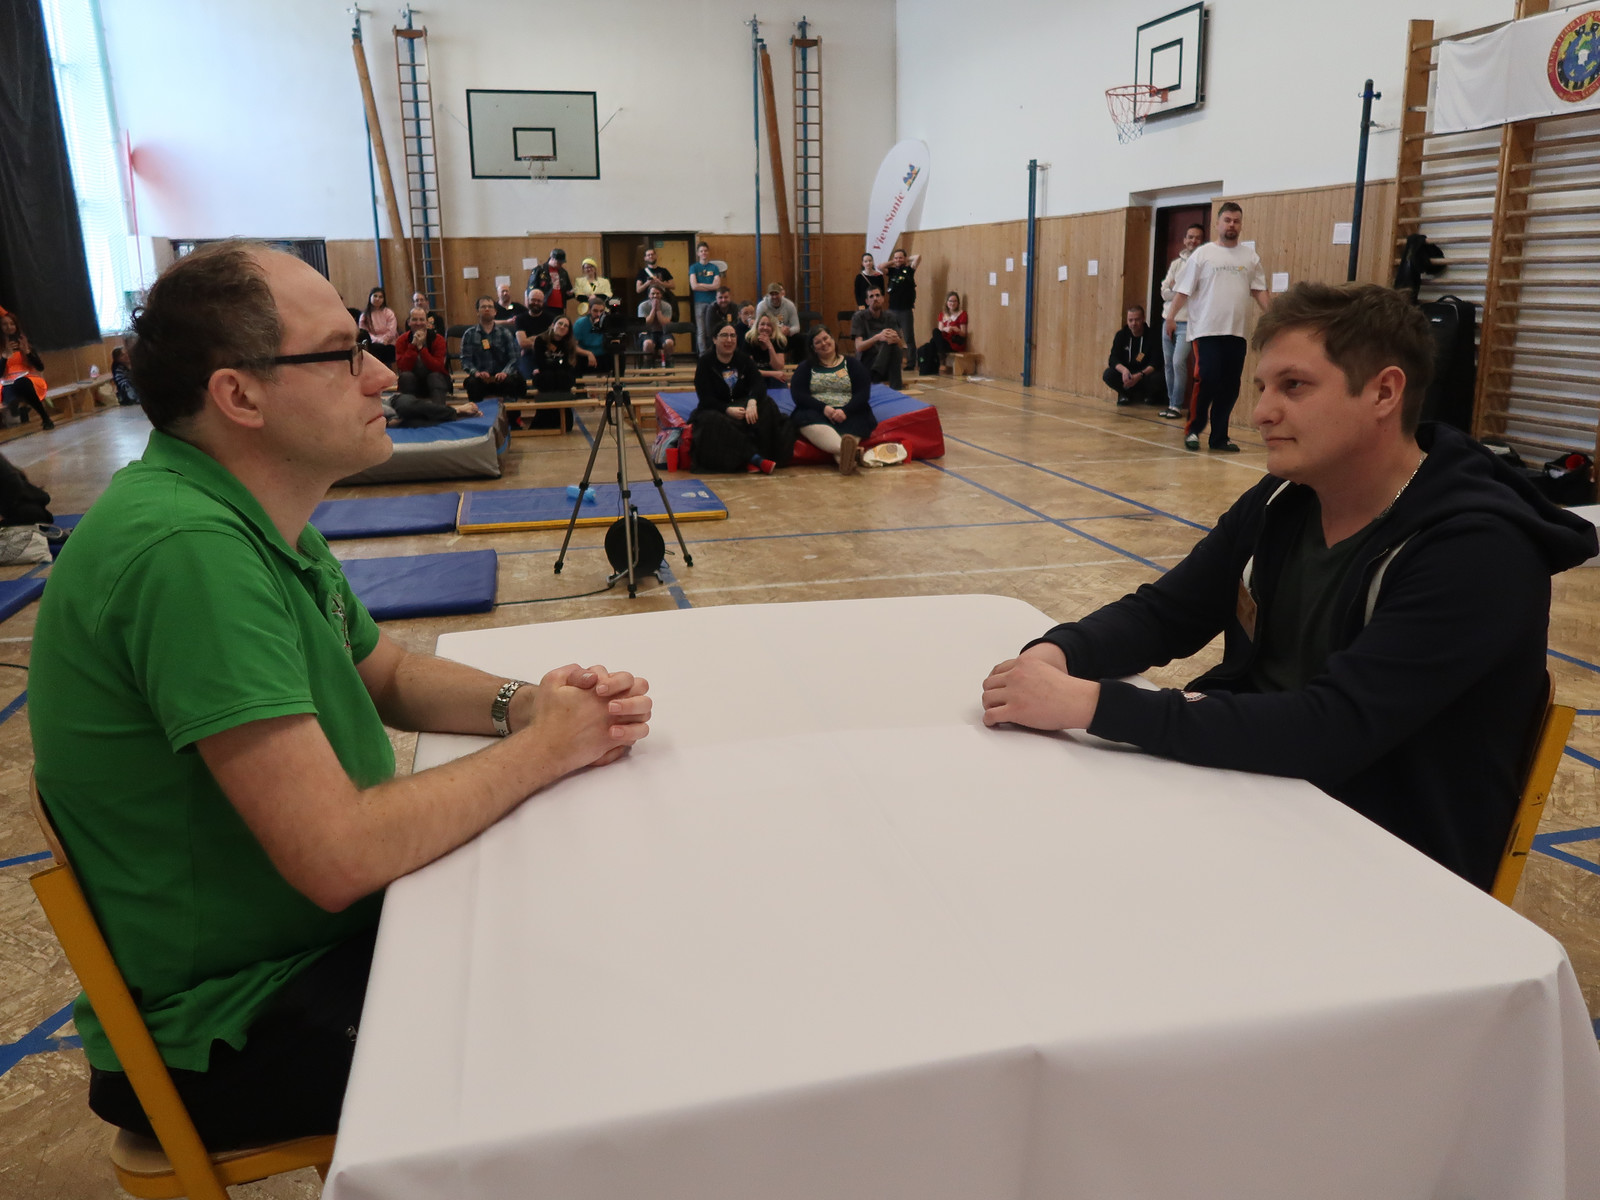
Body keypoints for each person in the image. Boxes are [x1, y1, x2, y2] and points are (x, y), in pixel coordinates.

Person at [28, 240, 650, 1152]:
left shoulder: (247, 509)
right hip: (232, 1020)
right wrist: (548, 747)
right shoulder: (186, 551)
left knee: (587, 915)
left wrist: (524, 705)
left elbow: (386, 673)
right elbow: (339, 853)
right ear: (240, 396)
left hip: (300, 952)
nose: (382, 373)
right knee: (610, 1017)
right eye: (342, 352)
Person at [980, 281, 1598, 892]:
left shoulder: (1479, 553)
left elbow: (1331, 731)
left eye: (1293, 386)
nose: (1261, 413)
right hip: (1258, 798)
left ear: (1384, 392)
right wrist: (1057, 654)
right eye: (1261, 388)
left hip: (1385, 862)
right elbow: (1167, 613)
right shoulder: (1285, 497)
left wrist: (1092, 705)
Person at [1166, 203, 1268, 452]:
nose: (1232, 225)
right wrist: (1170, 317)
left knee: (1230, 386)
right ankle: (1193, 430)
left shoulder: (1250, 258)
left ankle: (1219, 437)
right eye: (1227, 220)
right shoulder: (1203, 255)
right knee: (1208, 378)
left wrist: (1275, 317)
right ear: (1218, 223)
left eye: (1236, 221)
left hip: (1237, 332)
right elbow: (1183, 290)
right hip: (1206, 331)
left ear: (1240, 225)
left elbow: (1259, 291)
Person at [690, 324, 789, 474]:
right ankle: (755, 459)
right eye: (724, 335)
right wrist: (727, 409)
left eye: (733, 336)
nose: (729, 340)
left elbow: (758, 383)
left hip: (742, 406)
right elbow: (705, 398)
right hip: (717, 409)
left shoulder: (743, 359)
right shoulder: (705, 362)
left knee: (768, 404)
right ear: (715, 339)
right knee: (711, 421)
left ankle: (763, 454)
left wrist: (752, 401)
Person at [790, 325, 875, 476]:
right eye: (818, 342)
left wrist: (845, 411)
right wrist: (824, 408)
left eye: (826, 338)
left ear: (832, 339)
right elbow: (799, 395)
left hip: (849, 412)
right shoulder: (805, 367)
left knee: (858, 418)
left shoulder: (852, 364)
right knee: (804, 418)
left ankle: (845, 456)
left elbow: (863, 393)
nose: (824, 343)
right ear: (813, 348)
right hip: (817, 413)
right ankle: (851, 453)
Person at [393, 307, 476, 425]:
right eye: (414, 319)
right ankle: (409, 415)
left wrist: (422, 348)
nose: (418, 323)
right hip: (413, 383)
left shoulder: (438, 340)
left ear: (427, 322)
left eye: (421, 319)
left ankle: (439, 415)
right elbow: (403, 366)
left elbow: (438, 367)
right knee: (406, 376)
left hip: (436, 382)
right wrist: (412, 346)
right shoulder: (401, 340)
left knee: (435, 376)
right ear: (409, 322)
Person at [1158, 223, 1205, 420]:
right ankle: (1171, 403)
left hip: (1187, 323)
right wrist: (1177, 290)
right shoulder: (1176, 263)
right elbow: (1164, 291)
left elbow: (1193, 293)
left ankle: (1177, 405)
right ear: (1185, 239)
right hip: (1168, 320)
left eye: (1197, 237)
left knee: (1179, 362)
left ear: (1202, 241)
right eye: (1190, 237)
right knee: (1168, 364)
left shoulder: (1203, 264)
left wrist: (1176, 289)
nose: (1193, 240)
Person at [460, 294, 526, 404]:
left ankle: (511, 414)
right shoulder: (469, 334)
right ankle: (477, 413)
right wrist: (476, 373)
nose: (487, 309)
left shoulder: (505, 333)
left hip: (502, 377)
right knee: (471, 383)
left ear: (495, 312)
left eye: (490, 307)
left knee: (512, 382)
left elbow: (514, 358)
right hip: (480, 378)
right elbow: (465, 360)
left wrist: (505, 373)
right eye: (483, 307)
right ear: (477, 312)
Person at [1103, 305, 1165, 407]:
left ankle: (1150, 395)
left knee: (1159, 377)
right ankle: (1124, 395)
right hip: (1127, 374)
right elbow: (1113, 358)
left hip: (1145, 374)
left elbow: (1156, 362)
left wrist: (1140, 375)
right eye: (1130, 320)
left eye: (1137, 320)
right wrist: (1124, 371)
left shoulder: (1153, 336)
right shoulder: (1121, 335)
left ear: (1143, 319)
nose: (1133, 323)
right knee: (1108, 374)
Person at [1, 310, 54, 430]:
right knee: (15, 387)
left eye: (12, 324)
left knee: (22, 383)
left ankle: (44, 418)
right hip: (6, 383)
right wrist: (4, 357)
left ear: (16, 326)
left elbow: (40, 367)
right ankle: (19, 407)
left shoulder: (25, 343)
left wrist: (27, 352)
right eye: (5, 324)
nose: (9, 327)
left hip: (28, 381)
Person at [850, 286, 904, 389]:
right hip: (867, 364)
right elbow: (859, 347)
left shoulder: (890, 316)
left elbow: (900, 345)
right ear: (867, 301)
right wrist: (877, 337)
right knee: (889, 343)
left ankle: (877, 372)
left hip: (884, 368)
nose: (875, 298)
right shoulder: (859, 317)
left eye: (877, 295)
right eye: (871, 296)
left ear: (882, 299)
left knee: (893, 345)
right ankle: (896, 388)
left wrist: (896, 339)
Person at [883, 248, 920, 368]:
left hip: (905, 310)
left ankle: (911, 363)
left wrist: (905, 259)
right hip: (892, 310)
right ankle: (893, 361)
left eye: (900, 257)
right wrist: (893, 261)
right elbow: (880, 266)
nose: (898, 260)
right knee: (892, 337)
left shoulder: (909, 270)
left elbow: (918, 257)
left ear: (904, 258)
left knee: (909, 338)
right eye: (896, 258)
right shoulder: (891, 271)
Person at [688, 241, 723, 353]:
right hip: (699, 303)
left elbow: (717, 285)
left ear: (708, 252)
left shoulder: (714, 268)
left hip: (713, 302)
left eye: (705, 251)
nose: (704, 253)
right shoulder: (694, 267)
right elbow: (694, 286)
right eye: (701, 251)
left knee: (712, 329)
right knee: (701, 331)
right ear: (698, 253)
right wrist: (710, 286)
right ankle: (703, 355)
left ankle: (713, 353)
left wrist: (701, 285)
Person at [514, 288, 555, 378]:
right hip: (528, 355)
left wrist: (532, 339)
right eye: (533, 300)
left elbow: (554, 342)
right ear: (528, 300)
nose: (536, 303)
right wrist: (543, 340)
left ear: (543, 302)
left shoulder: (551, 318)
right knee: (527, 377)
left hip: (547, 354)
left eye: (539, 301)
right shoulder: (520, 319)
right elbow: (523, 343)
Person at [743, 313, 790, 386]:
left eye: (769, 325)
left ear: (773, 328)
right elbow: (750, 370)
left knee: (781, 381)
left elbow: (778, 367)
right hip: (755, 376)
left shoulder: (778, 341)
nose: (765, 327)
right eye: (762, 324)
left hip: (773, 378)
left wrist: (770, 346)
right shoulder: (749, 340)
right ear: (757, 326)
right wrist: (772, 374)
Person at [573, 294, 614, 377]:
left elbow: (614, 342)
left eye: (601, 311)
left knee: (619, 354)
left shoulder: (608, 323)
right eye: (595, 311)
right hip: (585, 357)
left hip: (603, 357)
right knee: (573, 357)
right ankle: (578, 384)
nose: (598, 314)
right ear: (589, 311)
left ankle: (618, 382)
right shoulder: (580, 323)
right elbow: (573, 346)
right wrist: (588, 353)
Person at [357, 287, 397, 367]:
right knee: (375, 349)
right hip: (372, 343)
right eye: (375, 296)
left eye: (380, 297)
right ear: (370, 297)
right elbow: (365, 333)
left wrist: (385, 339)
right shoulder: (364, 315)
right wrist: (378, 340)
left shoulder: (389, 312)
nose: (377, 299)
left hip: (388, 342)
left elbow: (392, 330)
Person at [637, 283, 675, 365]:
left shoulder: (667, 306)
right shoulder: (643, 306)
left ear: (661, 295)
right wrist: (653, 309)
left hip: (663, 332)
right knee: (648, 343)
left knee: (669, 342)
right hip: (647, 332)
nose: (655, 296)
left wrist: (658, 311)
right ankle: (647, 365)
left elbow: (665, 324)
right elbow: (646, 323)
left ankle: (669, 364)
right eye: (653, 293)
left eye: (658, 293)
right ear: (649, 295)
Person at [928, 291, 967, 370]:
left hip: (954, 343)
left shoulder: (962, 314)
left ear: (958, 303)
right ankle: (937, 360)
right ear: (947, 302)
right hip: (944, 341)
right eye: (950, 301)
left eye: (955, 301)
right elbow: (939, 330)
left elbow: (964, 334)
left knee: (932, 342)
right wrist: (945, 329)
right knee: (935, 334)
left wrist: (957, 330)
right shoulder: (942, 314)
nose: (952, 303)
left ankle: (939, 360)